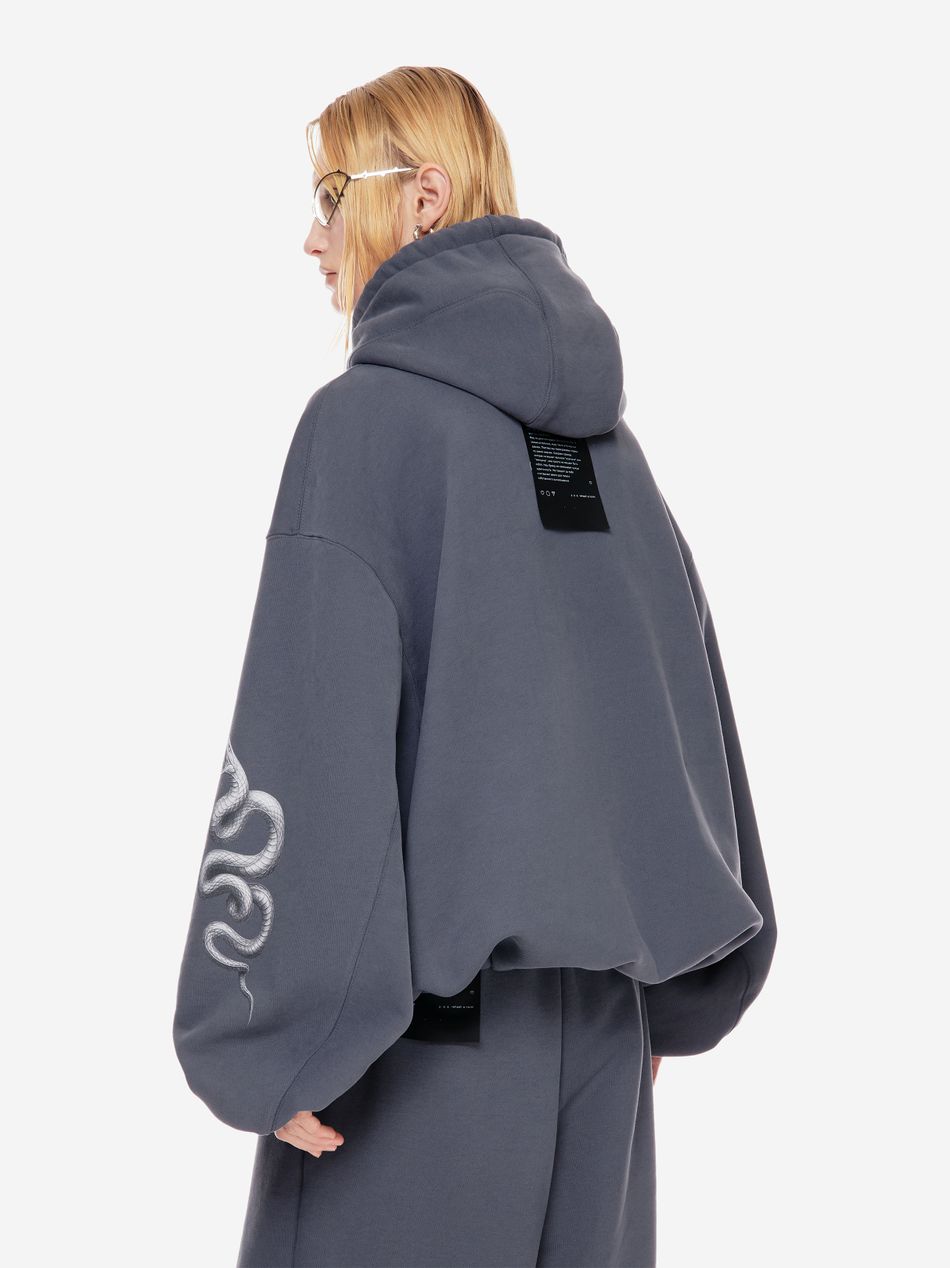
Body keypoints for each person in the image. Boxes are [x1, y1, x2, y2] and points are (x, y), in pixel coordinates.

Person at [172, 65, 777, 1268]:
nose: (311, 239)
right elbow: (678, 704)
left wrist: (265, 1035)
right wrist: (673, 986)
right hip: (605, 1053)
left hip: (416, 1069)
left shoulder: (362, 426)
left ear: (425, 195)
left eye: (330, 196)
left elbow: (310, 734)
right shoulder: (609, 451)